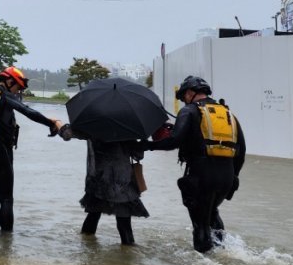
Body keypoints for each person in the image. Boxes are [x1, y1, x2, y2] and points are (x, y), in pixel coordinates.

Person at [149, 75, 246, 253]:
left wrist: (146, 146)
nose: (184, 100)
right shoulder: (228, 114)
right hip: (226, 178)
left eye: (184, 96)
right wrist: (234, 177)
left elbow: (174, 142)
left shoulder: (189, 111)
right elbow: (242, 150)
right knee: (212, 213)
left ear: (191, 93)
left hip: (201, 176)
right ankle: (222, 252)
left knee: (200, 224)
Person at [0, 66, 62, 232]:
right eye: (18, 87)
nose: (18, 92)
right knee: (7, 199)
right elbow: (28, 111)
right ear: (9, 82)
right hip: (0, 150)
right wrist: (50, 123)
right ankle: (6, 246)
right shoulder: (4, 96)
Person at [60, 127, 149, 245]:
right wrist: (142, 141)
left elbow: (67, 134)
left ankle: (87, 252)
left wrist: (60, 126)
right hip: (121, 184)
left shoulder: (94, 127)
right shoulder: (125, 129)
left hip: (99, 182)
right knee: (124, 225)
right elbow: (138, 155)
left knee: (92, 219)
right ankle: (128, 258)